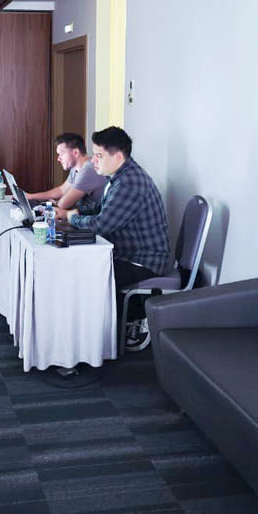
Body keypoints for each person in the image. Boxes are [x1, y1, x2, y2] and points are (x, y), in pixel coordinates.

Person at [56, 126, 170, 350]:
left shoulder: (130, 183)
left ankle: (93, 345)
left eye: (99, 155)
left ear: (117, 156)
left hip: (143, 261)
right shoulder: (119, 176)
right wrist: (76, 212)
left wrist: (71, 216)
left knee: (86, 275)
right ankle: (83, 339)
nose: (93, 161)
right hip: (129, 253)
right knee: (80, 266)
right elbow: (102, 208)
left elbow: (101, 225)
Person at [27, 132, 106, 210]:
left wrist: (54, 203)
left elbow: (62, 205)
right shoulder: (76, 168)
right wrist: (31, 196)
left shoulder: (88, 170)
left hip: (92, 217)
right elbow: (61, 190)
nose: (58, 159)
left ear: (76, 153)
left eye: (61, 154)